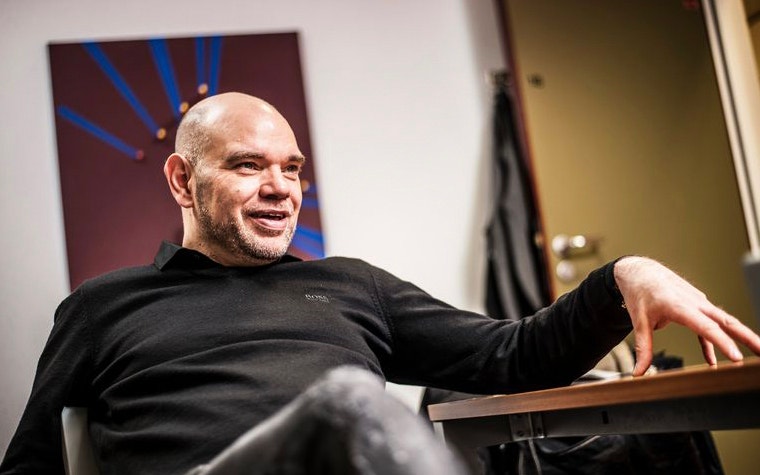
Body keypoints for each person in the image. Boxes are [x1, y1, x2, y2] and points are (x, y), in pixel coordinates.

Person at [2, 92, 759, 475]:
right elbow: (31, 463)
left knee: (643, 424)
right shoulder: (104, 306)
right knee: (346, 402)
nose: (280, 188)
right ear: (182, 178)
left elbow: (511, 357)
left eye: (292, 169)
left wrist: (621, 277)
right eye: (247, 165)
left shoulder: (351, 286)